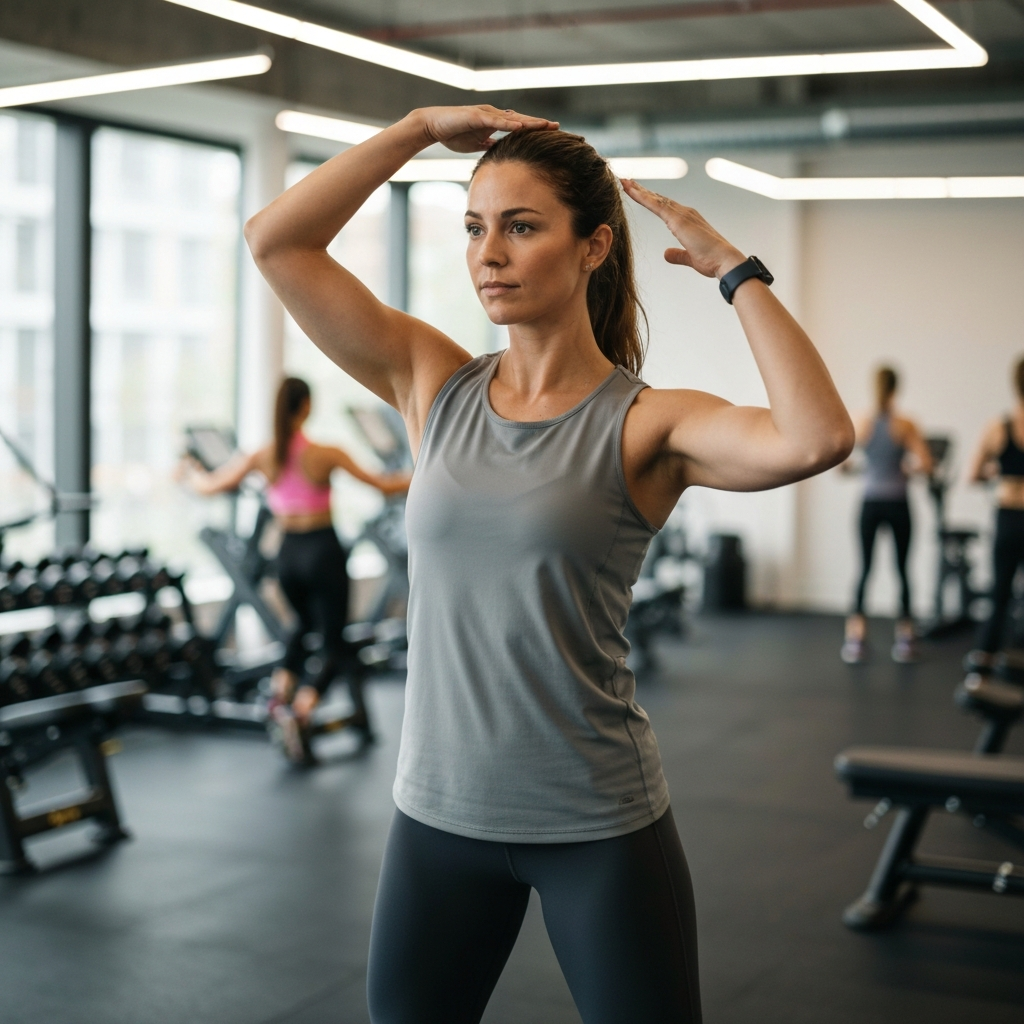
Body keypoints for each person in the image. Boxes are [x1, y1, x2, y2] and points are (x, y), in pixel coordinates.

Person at [244, 105, 853, 1023]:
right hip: (435, 818)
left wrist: (734, 269)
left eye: (521, 227)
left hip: (597, 825)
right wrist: (416, 128)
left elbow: (817, 436)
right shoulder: (432, 383)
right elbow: (278, 242)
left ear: (593, 246)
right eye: (475, 228)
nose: (489, 253)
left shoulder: (648, 422)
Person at [182, 376, 409, 762]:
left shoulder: (262, 455)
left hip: (287, 554)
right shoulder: (326, 453)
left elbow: (209, 486)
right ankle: (300, 712)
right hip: (322, 550)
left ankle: (277, 698)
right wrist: (427, 472)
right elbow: (384, 486)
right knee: (335, 644)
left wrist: (188, 471)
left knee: (300, 629)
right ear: (305, 407)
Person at [841, 366, 933, 665]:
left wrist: (864, 467)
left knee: (865, 568)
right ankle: (905, 639)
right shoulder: (905, 424)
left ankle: (855, 638)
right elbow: (927, 464)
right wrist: (906, 468)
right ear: (897, 388)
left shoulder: (862, 421)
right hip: (897, 503)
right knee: (902, 569)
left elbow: (842, 466)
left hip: (870, 502)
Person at [967, 355, 1024, 664]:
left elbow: (972, 474)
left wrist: (996, 471)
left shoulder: (998, 427)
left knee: (999, 593)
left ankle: (985, 660)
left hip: (1008, 516)